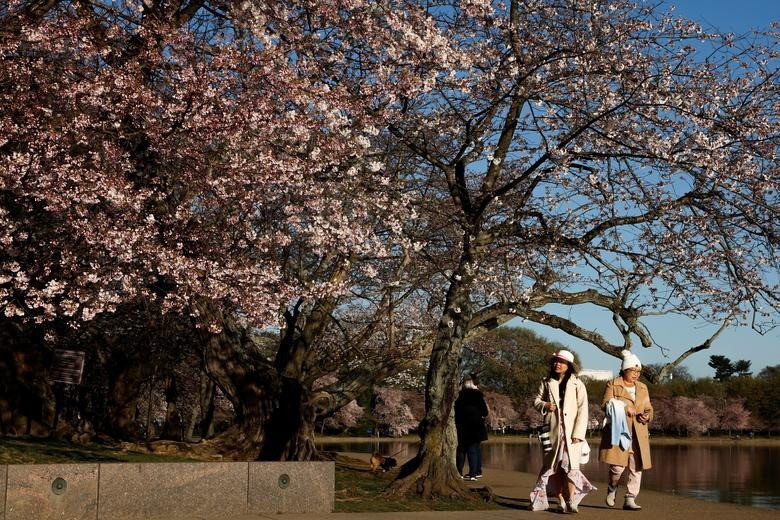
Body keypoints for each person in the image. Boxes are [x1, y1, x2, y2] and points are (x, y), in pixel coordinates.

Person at [529, 350, 594, 513]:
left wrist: (579, 434)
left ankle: (572, 500)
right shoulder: (546, 382)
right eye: (556, 361)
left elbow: (583, 410)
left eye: (562, 362)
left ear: (569, 366)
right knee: (554, 468)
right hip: (552, 432)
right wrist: (545, 405)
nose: (558, 364)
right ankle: (560, 500)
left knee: (571, 467)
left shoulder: (578, 384)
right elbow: (536, 400)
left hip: (571, 435)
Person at [599, 349, 653, 511]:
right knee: (617, 467)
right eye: (633, 370)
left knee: (636, 467)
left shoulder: (643, 387)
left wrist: (648, 416)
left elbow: (649, 407)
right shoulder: (613, 384)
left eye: (638, 371)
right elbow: (605, 404)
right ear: (624, 369)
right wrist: (624, 406)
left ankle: (630, 498)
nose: (636, 374)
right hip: (619, 430)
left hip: (639, 432)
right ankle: (612, 487)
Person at [454, 373, 489, 481]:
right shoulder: (478, 396)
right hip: (476, 426)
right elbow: (485, 412)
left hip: (462, 426)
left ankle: (459, 472)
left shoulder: (459, 396)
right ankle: (473, 474)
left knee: (461, 450)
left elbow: (455, 411)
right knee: (473, 450)